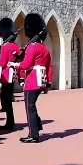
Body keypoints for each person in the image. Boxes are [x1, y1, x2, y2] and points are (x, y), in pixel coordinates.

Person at [8, 13, 53, 143]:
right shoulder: (44, 49)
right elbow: (49, 66)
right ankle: (37, 125)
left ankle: (33, 134)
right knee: (32, 106)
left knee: (29, 107)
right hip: (42, 80)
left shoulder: (32, 47)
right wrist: (48, 82)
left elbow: (26, 65)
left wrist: (15, 64)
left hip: (33, 80)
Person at [0, 17, 21, 131]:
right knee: (8, 99)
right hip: (13, 74)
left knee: (7, 100)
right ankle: (10, 121)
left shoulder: (5, 47)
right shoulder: (16, 46)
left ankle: (10, 122)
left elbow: (3, 62)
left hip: (6, 75)